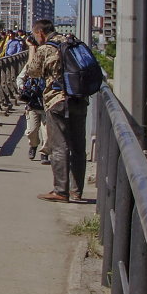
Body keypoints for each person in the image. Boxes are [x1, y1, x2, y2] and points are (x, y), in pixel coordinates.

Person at [25, 19, 88, 202]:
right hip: (80, 99)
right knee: (78, 147)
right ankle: (77, 191)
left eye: (35, 35)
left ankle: (61, 191)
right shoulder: (72, 42)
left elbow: (32, 71)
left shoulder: (46, 48)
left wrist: (31, 50)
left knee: (59, 146)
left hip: (57, 101)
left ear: (40, 33)